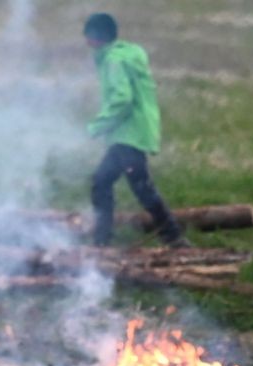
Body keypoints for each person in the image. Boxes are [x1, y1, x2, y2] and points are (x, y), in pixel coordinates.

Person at [83, 12, 190, 249]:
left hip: (129, 135)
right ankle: (102, 240)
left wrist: (96, 127)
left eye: (88, 37)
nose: (86, 43)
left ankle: (173, 238)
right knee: (104, 181)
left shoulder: (113, 61)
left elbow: (122, 99)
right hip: (131, 133)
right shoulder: (126, 54)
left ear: (96, 38)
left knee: (137, 187)